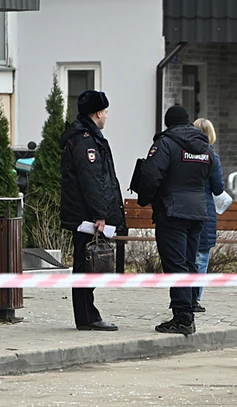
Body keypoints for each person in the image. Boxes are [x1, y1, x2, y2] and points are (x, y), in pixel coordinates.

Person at [133, 105, 213, 335]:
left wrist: (146, 199)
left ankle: (183, 318)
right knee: (188, 263)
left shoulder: (165, 143)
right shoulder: (204, 146)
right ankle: (187, 312)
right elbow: (210, 173)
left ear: (168, 123)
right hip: (198, 212)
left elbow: (151, 175)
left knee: (176, 265)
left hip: (173, 211)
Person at [58, 90, 126, 331]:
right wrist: (100, 214)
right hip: (86, 216)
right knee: (86, 264)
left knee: (86, 264)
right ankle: (87, 317)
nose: (107, 116)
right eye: (105, 112)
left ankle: (87, 315)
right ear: (98, 113)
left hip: (84, 213)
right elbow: (92, 180)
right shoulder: (86, 140)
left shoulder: (85, 137)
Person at [192, 118, 226, 313]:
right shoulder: (211, 156)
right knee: (202, 256)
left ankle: (184, 296)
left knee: (187, 255)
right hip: (205, 210)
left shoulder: (182, 153)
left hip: (183, 210)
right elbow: (218, 188)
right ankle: (195, 298)